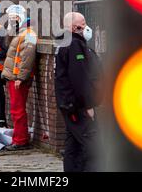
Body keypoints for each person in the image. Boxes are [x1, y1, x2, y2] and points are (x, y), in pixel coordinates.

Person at [55, 12, 103, 172]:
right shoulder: (74, 45)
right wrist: (88, 104)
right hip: (77, 105)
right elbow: (79, 77)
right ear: (73, 26)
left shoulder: (65, 43)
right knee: (92, 144)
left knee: (73, 144)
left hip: (69, 103)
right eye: (82, 23)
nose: (85, 26)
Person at [1, 5, 38, 150]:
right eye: (10, 18)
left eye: (14, 18)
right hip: (14, 77)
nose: (12, 21)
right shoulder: (19, 33)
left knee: (18, 110)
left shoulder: (28, 34)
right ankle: (19, 138)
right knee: (15, 110)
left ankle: (21, 140)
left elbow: (27, 58)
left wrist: (20, 78)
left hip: (18, 78)